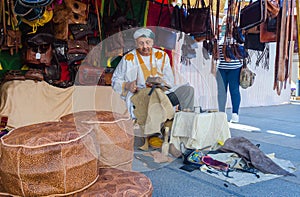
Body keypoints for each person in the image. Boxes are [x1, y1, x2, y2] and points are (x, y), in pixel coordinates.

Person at [111, 28, 194, 149]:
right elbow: (115, 80)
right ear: (136, 43)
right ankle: (154, 133)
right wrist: (127, 85)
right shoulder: (129, 58)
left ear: (152, 42)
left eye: (148, 42)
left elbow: (169, 80)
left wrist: (160, 82)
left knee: (188, 91)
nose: (145, 46)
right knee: (153, 94)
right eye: (141, 43)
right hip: (141, 97)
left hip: (163, 95)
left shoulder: (162, 56)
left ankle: (183, 130)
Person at [216, 26, 243, 123]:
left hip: (235, 68)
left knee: (234, 91)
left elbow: (242, 53)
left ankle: (235, 113)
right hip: (221, 69)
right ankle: (222, 113)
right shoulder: (219, 37)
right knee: (221, 92)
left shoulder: (238, 38)